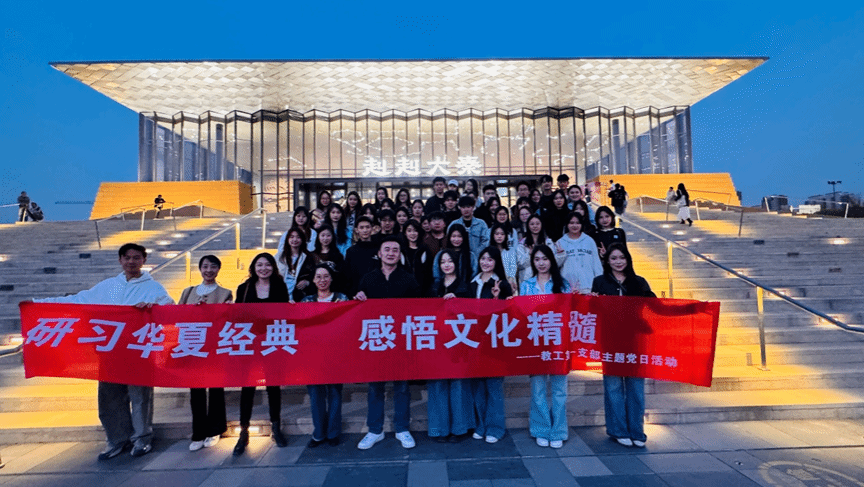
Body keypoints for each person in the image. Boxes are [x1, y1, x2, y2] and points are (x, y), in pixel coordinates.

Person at [32, 243, 174, 459]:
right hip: (110, 351)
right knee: (109, 398)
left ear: (144, 260)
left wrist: (153, 308)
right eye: (127, 257)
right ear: (120, 260)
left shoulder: (154, 289)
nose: (131, 262)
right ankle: (116, 439)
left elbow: (170, 311)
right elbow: (77, 300)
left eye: (136, 257)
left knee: (140, 397)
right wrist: (38, 304)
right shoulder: (108, 286)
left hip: (138, 351)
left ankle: (142, 439)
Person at [354, 236, 421, 450]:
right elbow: (359, 312)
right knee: (375, 388)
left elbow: (419, 310)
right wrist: (358, 297)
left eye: (395, 250)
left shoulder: (409, 279)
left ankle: (402, 428)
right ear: (379, 254)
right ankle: (375, 430)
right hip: (376, 342)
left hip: (400, 341)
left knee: (402, 387)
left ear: (400, 255)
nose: (391, 253)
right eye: (387, 249)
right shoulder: (368, 279)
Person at [591, 243, 656, 448]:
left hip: (635, 341)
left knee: (636, 388)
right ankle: (618, 430)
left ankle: (637, 431)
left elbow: (653, 305)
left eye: (622, 257)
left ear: (628, 259)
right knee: (613, 387)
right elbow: (594, 311)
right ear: (607, 261)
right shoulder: (600, 282)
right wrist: (592, 301)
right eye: (613, 258)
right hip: (610, 340)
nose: (618, 262)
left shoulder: (639, 281)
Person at [233, 252, 291, 455]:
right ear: (253, 268)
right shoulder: (244, 288)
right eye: (259, 265)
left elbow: (285, 313)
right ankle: (244, 431)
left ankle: (276, 427)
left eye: (267, 264)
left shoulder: (279, 286)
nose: (263, 268)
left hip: (272, 342)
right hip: (249, 342)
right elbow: (237, 314)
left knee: (273, 386)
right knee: (247, 387)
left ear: (273, 267)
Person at [177, 255, 232, 452]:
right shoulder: (188, 292)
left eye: (213, 267)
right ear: (200, 269)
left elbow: (226, 319)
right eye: (205, 266)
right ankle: (198, 432)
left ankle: (215, 429)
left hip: (214, 346)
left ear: (218, 270)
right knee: (196, 392)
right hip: (192, 345)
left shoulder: (225, 293)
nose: (209, 270)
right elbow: (177, 315)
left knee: (216, 389)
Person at [520, 245, 572, 449]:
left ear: (552, 260)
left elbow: (568, 313)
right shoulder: (526, 285)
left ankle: (558, 430)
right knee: (538, 389)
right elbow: (523, 313)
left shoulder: (563, 284)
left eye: (545, 259)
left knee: (559, 390)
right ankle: (541, 429)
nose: (541, 263)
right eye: (537, 259)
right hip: (535, 343)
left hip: (558, 343)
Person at [427, 249, 475, 442]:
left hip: (458, 341)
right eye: (443, 262)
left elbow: (472, 313)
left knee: (458, 384)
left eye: (450, 261)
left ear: (456, 263)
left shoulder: (465, 286)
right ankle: (440, 428)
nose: (446, 265)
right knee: (438, 383)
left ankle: (460, 428)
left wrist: (458, 301)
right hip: (437, 340)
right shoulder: (434, 286)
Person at [301, 263, 348, 447]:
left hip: (336, 355)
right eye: (318, 277)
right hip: (312, 357)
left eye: (326, 276)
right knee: (316, 396)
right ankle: (319, 433)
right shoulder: (306, 301)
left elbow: (347, 323)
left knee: (335, 394)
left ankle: (333, 433)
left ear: (331, 278)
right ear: (313, 280)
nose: (322, 280)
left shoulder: (341, 298)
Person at [470, 246, 514, 444]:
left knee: (494, 387)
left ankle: (495, 428)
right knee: (478, 387)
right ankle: (481, 425)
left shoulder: (502, 284)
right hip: (474, 341)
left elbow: (508, 312)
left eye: (490, 259)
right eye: (483, 258)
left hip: (495, 341)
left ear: (496, 262)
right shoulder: (473, 282)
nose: (485, 262)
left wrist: (498, 296)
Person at [556, 213, 603, 294]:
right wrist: (560, 255)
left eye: (578, 223)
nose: (575, 226)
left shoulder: (589, 241)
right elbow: (555, 265)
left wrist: (600, 283)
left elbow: (596, 264)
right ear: (567, 224)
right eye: (571, 223)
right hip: (568, 289)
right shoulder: (560, 242)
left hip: (588, 286)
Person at [275, 226, 315, 302]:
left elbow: (314, 275)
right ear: (287, 239)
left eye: (298, 237)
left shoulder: (309, 257)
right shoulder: (279, 256)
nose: (295, 240)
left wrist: (307, 282)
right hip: (281, 295)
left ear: (302, 239)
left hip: (300, 297)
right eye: (292, 237)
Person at [343, 216, 379, 297]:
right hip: (357, 296)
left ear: (372, 228)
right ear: (356, 230)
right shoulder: (351, 251)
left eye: (367, 227)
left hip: (377, 295)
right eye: (361, 228)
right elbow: (347, 276)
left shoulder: (379, 249)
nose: (365, 230)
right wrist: (353, 294)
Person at [447, 195, 490, 262]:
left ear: (473, 207)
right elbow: (449, 241)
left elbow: (486, 241)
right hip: (458, 259)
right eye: (463, 207)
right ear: (459, 208)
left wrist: (476, 253)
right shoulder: (454, 224)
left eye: (468, 207)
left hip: (478, 258)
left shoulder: (481, 224)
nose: (466, 209)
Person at [401, 220, 433, 295]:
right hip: (404, 291)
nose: (412, 233)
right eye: (409, 231)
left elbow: (429, 272)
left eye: (415, 230)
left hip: (423, 291)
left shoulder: (425, 249)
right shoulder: (401, 250)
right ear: (405, 233)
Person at [489, 222, 520, 291]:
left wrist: (510, 280)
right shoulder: (489, 251)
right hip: (492, 282)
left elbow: (513, 267)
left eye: (502, 234)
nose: (499, 236)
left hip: (509, 282)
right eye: (497, 234)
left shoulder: (510, 251)